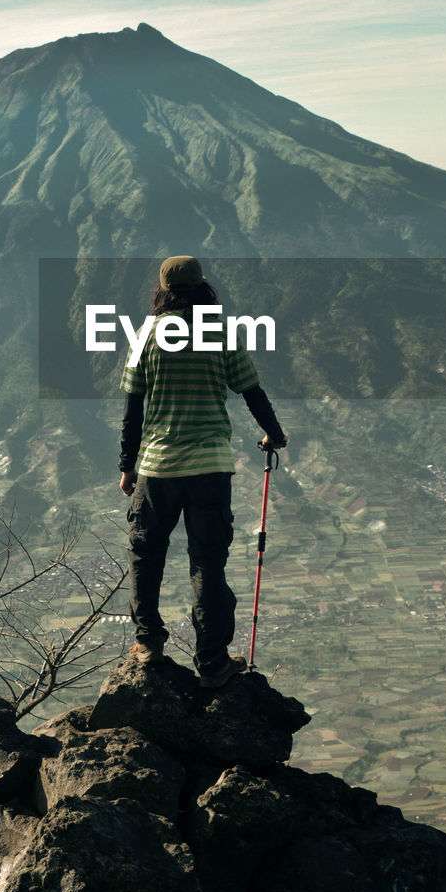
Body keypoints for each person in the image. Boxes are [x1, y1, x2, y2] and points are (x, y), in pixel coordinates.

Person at [118, 255, 287, 689]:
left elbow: (132, 408)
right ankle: (211, 661)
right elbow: (252, 391)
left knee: (145, 555)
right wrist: (274, 435)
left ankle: (149, 643)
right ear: (203, 288)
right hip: (210, 468)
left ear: (162, 290)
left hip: (158, 468)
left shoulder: (146, 335)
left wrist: (127, 466)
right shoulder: (221, 332)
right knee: (208, 563)